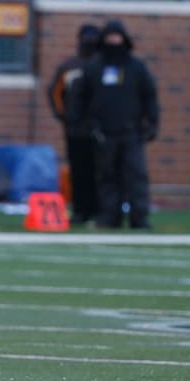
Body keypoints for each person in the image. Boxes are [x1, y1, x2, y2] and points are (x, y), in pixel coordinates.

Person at [68, 19, 158, 230]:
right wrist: (83, 123)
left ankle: (139, 217)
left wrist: (152, 122)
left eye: (117, 37)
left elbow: (149, 96)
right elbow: (79, 98)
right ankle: (110, 216)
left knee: (136, 176)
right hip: (103, 132)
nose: (113, 42)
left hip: (131, 131)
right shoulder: (93, 68)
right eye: (110, 37)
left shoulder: (136, 67)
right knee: (107, 178)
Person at [48, 24, 101, 224]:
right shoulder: (69, 66)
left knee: (100, 172)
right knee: (78, 172)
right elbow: (55, 93)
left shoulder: (103, 65)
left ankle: (100, 210)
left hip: (99, 130)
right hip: (76, 130)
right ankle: (80, 210)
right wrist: (65, 116)